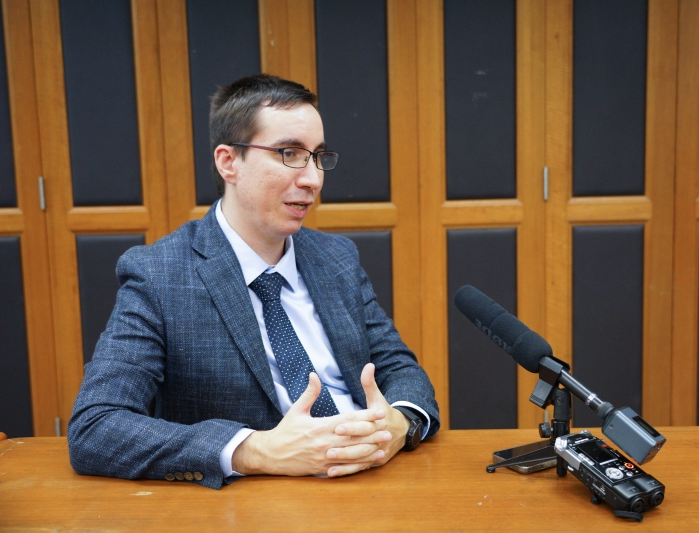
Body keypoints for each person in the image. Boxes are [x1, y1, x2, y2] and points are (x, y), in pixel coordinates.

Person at [67, 74, 440, 489]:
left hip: (378, 480)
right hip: (260, 499)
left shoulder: (336, 258)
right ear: (229, 162)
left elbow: (399, 367)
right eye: (289, 153)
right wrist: (257, 451)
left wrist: (400, 423)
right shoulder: (160, 274)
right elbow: (96, 427)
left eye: (318, 156)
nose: (313, 179)